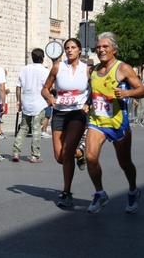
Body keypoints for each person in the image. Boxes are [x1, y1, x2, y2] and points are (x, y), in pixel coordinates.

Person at [82, 32, 144, 214]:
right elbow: (93, 93)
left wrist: (127, 93)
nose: (101, 50)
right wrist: (87, 104)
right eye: (99, 47)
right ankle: (100, 193)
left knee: (125, 162)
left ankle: (133, 190)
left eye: (105, 47)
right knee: (91, 157)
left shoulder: (123, 68)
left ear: (114, 50)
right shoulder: (93, 70)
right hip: (97, 121)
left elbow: (142, 90)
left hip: (118, 122)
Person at [41, 38, 90, 206]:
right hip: (60, 112)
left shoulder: (87, 69)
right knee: (60, 157)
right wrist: (49, 97)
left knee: (67, 152)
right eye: (67, 48)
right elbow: (45, 88)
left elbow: (96, 89)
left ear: (80, 50)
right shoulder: (58, 67)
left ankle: (66, 192)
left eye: (73, 47)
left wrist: (88, 104)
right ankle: (81, 153)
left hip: (77, 113)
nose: (69, 50)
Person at [12, 48, 49, 163]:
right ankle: (35, 155)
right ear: (43, 58)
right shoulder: (45, 71)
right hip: (39, 103)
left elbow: (18, 87)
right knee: (37, 129)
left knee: (23, 128)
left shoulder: (24, 69)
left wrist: (19, 101)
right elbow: (49, 87)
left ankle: (16, 152)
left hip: (26, 102)